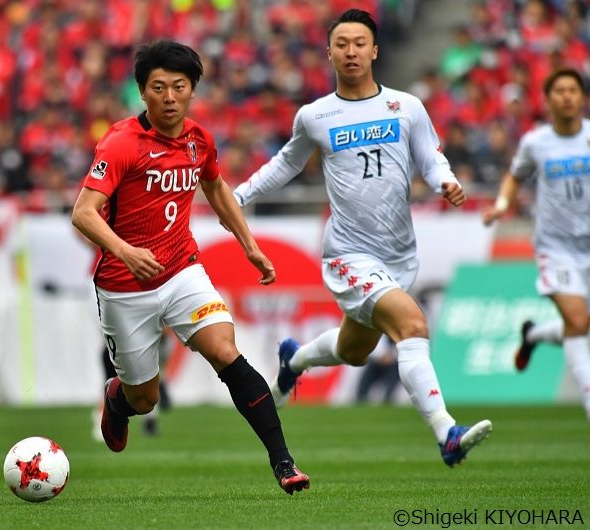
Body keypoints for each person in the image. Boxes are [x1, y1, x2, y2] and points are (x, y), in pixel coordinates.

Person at [232, 9, 493, 467]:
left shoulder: (406, 106)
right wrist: (239, 195)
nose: (351, 51)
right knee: (411, 326)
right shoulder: (316, 115)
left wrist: (445, 181)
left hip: (398, 253)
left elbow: (430, 157)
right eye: (341, 44)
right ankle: (445, 433)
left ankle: (294, 359)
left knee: (355, 351)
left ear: (375, 50)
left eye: (359, 43)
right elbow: (286, 165)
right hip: (347, 254)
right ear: (329, 52)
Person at [71, 40, 310, 494]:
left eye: (178, 86)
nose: (168, 96)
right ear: (142, 92)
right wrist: (125, 251)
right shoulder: (121, 143)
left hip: (182, 270)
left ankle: (283, 463)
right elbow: (83, 212)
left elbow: (217, 190)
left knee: (225, 351)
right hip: (125, 286)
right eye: (157, 87)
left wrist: (250, 246)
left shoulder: (199, 139)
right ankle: (118, 400)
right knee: (146, 397)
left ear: (193, 90)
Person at [483, 67, 590, 420]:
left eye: (573, 90)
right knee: (578, 319)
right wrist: (500, 205)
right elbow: (514, 177)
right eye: (559, 91)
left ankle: (534, 335)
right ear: (547, 100)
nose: (567, 96)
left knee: (582, 322)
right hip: (555, 247)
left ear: (581, 97)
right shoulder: (536, 142)